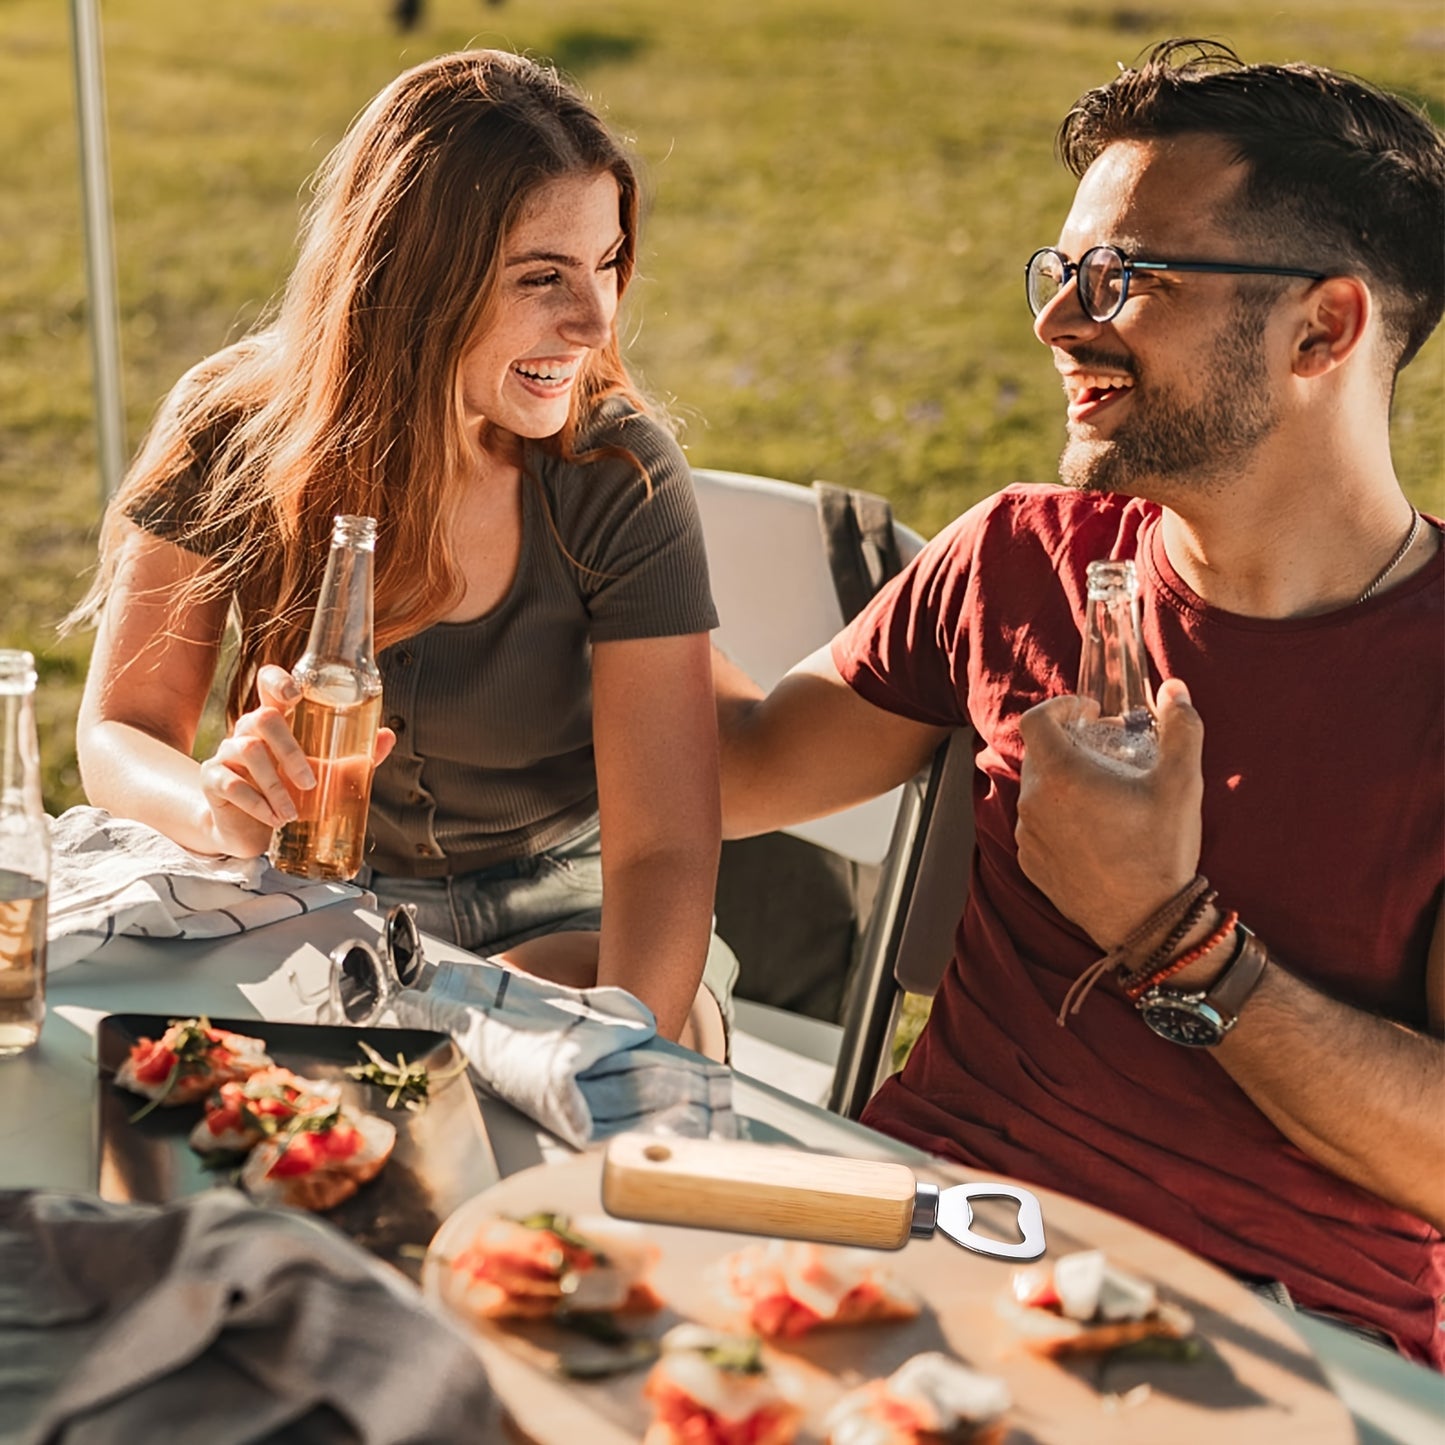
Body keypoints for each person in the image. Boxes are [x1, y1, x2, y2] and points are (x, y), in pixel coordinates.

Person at [715, 38, 1444, 1365]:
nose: (1056, 319)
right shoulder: (1022, 558)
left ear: (1322, 328)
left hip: (1271, 1343)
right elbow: (734, 768)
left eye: (1118, 276)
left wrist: (1172, 935)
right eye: (1060, 272)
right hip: (918, 1242)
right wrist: (598, 513)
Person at [70, 49, 734, 1058]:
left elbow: (661, 850)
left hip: (564, 915)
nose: (596, 318)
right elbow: (122, 727)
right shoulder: (234, 426)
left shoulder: (615, 475)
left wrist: (624, 1037)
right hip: (301, 903)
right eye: (541, 276)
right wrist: (212, 801)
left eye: (605, 263)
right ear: (416, 276)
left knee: (457, 1071)